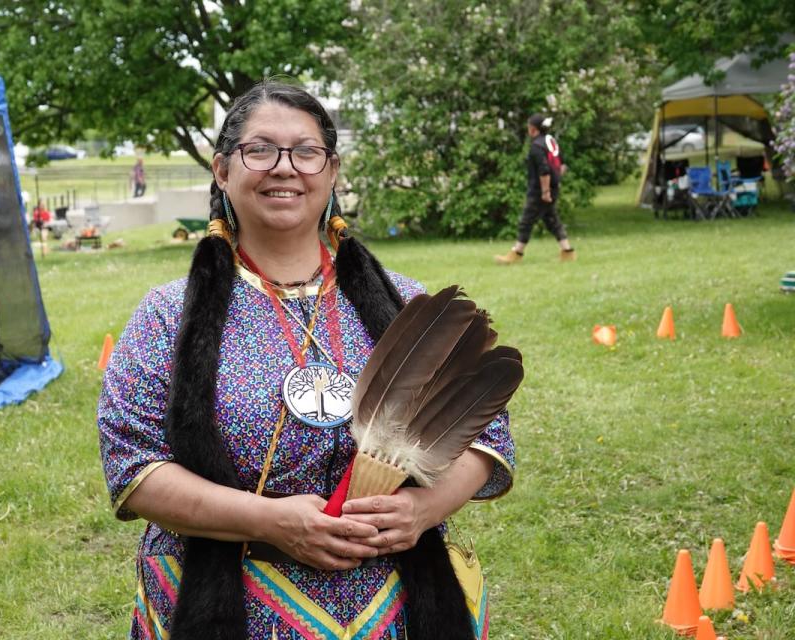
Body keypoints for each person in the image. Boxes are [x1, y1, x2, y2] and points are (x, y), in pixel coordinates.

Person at [98, 81, 516, 640]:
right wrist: (267, 520)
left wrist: (425, 508)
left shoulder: (405, 302)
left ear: (332, 170)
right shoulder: (165, 314)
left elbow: (484, 432)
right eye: (260, 150)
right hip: (225, 601)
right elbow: (134, 466)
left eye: (306, 151)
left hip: (400, 602)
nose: (285, 168)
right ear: (223, 170)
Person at [495, 113, 576, 264]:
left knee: (526, 221)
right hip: (553, 187)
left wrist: (545, 191)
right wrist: (556, 182)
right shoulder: (551, 141)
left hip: (540, 191)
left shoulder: (536, 147)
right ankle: (567, 251)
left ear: (533, 129)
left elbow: (544, 170)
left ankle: (516, 253)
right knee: (552, 220)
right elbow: (562, 164)